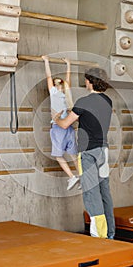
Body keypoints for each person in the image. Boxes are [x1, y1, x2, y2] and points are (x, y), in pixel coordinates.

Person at [54, 67, 115, 239]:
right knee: (104, 192)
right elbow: (91, 118)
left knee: (91, 192)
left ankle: (99, 236)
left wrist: (56, 118)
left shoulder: (83, 101)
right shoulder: (107, 101)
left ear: (90, 81)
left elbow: (65, 124)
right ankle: (110, 234)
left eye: (86, 80)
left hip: (88, 153)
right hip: (103, 151)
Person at [42, 55, 80, 190]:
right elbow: (68, 79)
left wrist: (46, 61)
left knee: (58, 156)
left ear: (56, 85)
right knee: (73, 155)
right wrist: (68, 64)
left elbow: (48, 76)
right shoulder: (67, 94)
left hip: (58, 127)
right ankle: (81, 176)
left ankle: (72, 177)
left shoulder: (53, 93)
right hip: (68, 127)